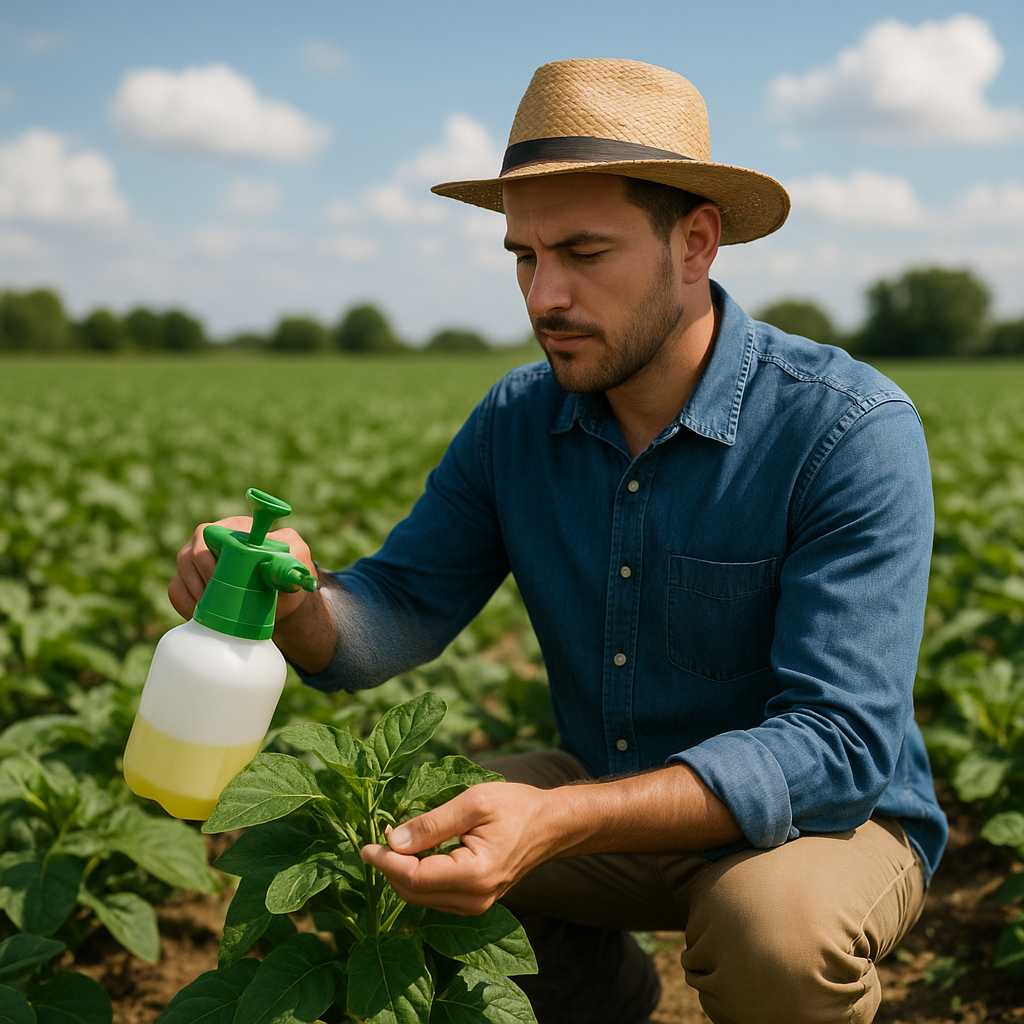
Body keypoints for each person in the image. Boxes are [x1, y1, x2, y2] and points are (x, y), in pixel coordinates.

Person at [171, 59, 948, 1024]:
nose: (545, 296)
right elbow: (399, 607)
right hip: (607, 801)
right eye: (525, 257)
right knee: (389, 843)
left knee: (774, 941)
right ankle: (592, 994)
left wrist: (558, 816)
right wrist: (298, 602)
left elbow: (838, 745)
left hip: (820, 827)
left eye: (584, 252)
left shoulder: (846, 428)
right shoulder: (517, 421)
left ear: (695, 242)